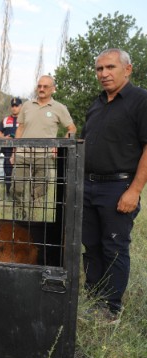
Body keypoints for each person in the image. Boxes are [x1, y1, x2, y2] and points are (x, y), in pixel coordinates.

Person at [81, 48, 147, 322]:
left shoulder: (140, 100)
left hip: (118, 187)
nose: (104, 74)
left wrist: (134, 190)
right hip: (87, 186)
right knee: (91, 246)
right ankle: (94, 299)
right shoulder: (96, 105)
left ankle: (111, 310)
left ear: (127, 69)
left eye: (110, 67)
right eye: (99, 69)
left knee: (114, 248)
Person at [12, 75, 77, 219]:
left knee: (39, 192)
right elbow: (20, 128)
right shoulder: (27, 105)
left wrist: (58, 146)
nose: (41, 89)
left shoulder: (59, 108)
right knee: (17, 188)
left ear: (53, 89)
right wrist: (14, 151)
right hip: (23, 154)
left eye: (45, 86)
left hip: (44, 156)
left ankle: (35, 221)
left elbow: (72, 129)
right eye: (39, 86)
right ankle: (20, 217)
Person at [0, 97, 22, 197]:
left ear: (21, 106)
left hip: (21, 151)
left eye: (16, 106)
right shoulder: (5, 120)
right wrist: (3, 137)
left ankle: (19, 196)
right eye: (12, 106)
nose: (14, 108)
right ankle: (8, 195)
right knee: (8, 174)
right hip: (7, 152)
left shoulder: (24, 120)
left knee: (20, 174)